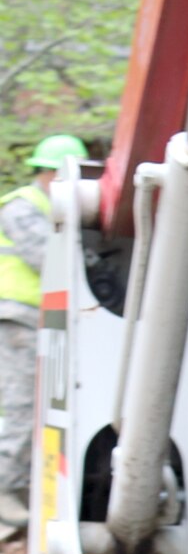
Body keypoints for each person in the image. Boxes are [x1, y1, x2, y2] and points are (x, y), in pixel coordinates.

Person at [0, 134, 88, 532]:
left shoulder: (51, 207)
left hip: (44, 319)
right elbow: (48, 258)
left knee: (44, 406)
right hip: (19, 318)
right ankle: (6, 490)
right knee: (21, 405)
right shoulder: (22, 208)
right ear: (52, 173)